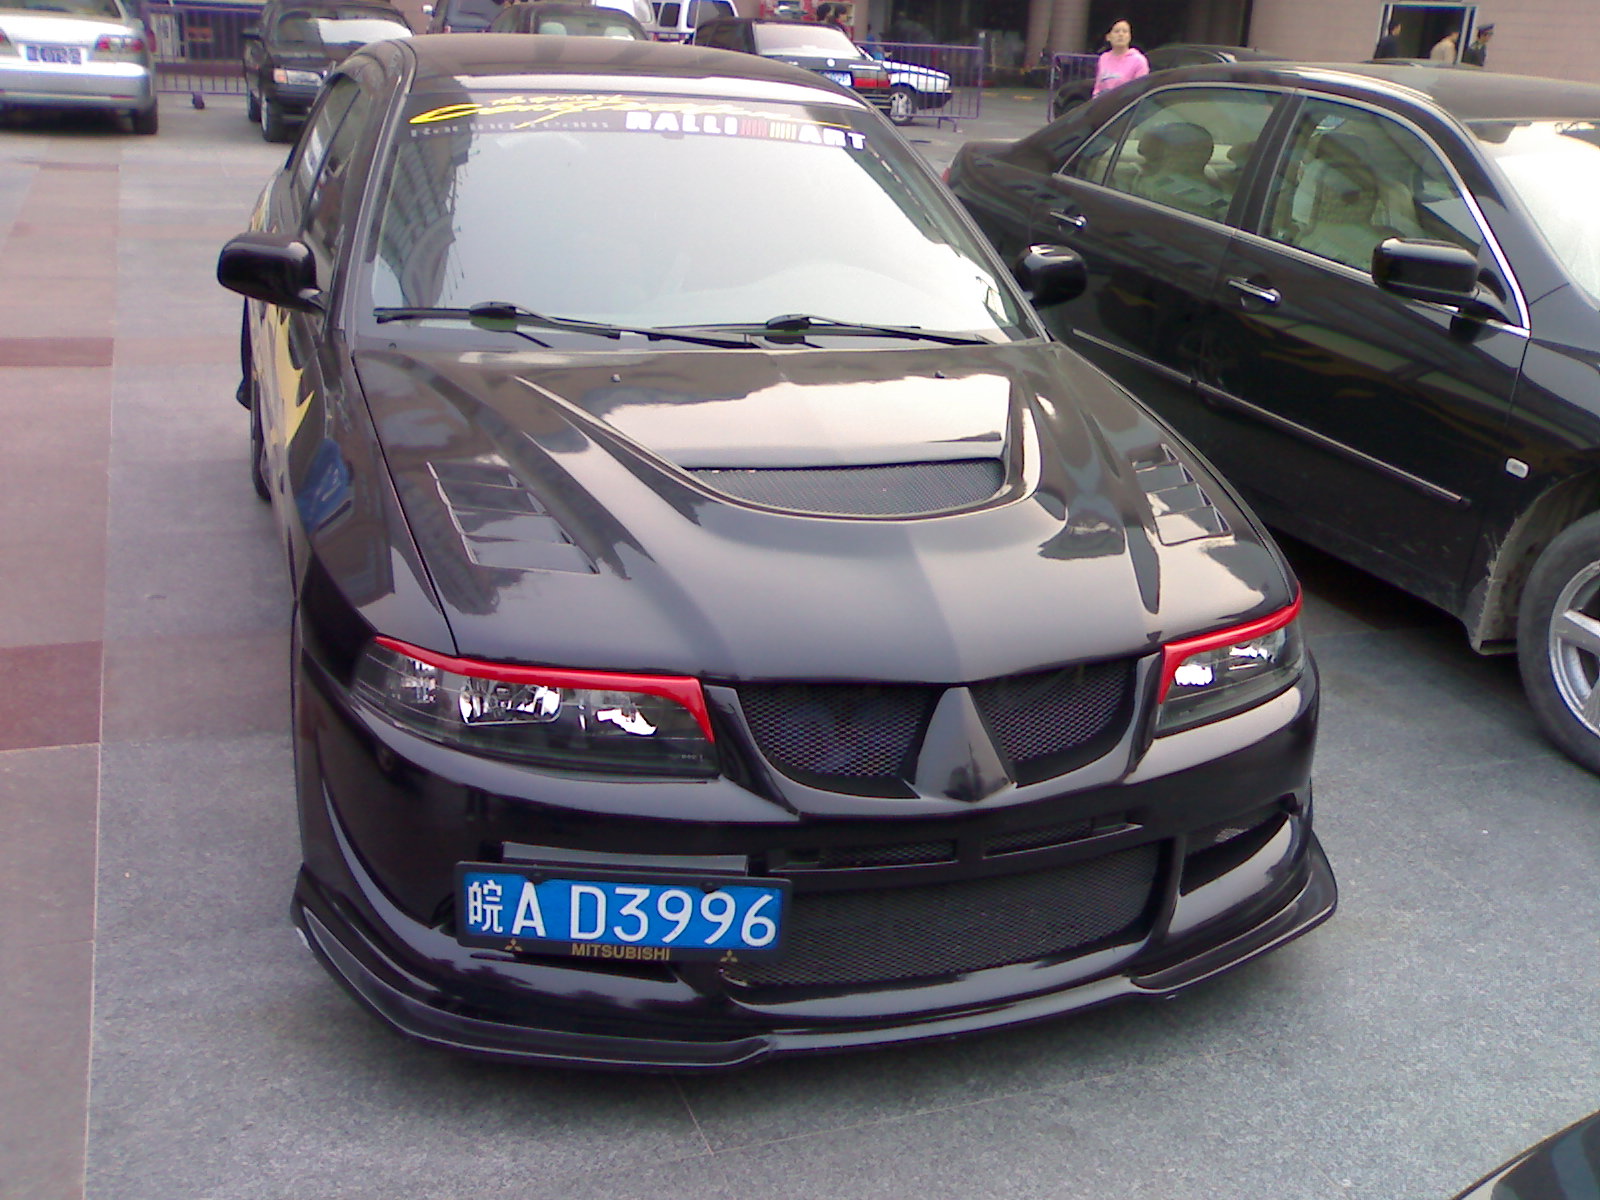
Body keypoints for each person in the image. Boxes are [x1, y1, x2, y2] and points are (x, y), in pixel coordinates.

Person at [1092, 19, 1149, 96]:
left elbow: (1140, 91)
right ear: (1108, 37)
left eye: (1125, 31)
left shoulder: (1138, 60)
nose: (1121, 34)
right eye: (1117, 31)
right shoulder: (1103, 58)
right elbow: (1098, 87)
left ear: (1130, 37)